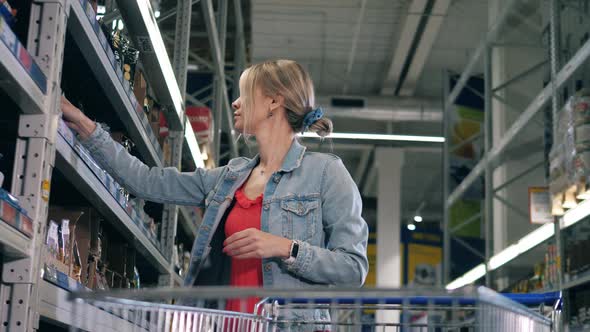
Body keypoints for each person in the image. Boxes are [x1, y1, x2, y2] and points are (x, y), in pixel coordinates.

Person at [61, 59, 368, 328]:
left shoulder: (327, 173)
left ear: (274, 101)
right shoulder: (230, 177)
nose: (235, 102)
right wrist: (88, 129)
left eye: (245, 93)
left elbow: (353, 268)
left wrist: (286, 247)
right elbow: (147, 183)